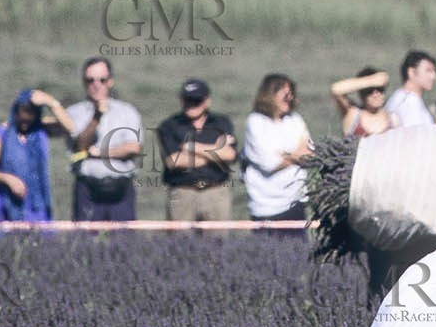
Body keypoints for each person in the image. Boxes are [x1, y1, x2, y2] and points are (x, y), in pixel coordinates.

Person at [45, 58, 143, 222]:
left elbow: (133, 148)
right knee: (85, 244)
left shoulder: (127, 112)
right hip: (88, 189)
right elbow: (80, 146)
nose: (96, 85)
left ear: (110, 81)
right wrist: (96, 117)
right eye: (90, 80)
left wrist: (99, 153)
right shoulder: (74, 113)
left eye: (102, 80)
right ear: (84, 82)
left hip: (121, 189)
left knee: (125, 243)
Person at [157, 79, 238, 222]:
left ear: (207, 101)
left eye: (196, 100)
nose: (191, 105)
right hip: (183, 193)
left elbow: (230, 155)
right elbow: (174, 161)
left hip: (215, 192)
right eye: (188, 100)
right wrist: (215, 152)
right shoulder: (170, 125)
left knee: (219, 243)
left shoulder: (221, 123)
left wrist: (191, 147)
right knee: (181, 243)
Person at [243, 74, 312, 222]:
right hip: (266, 206)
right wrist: (295, 155)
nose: (289, 98)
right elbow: (269, 163)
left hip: (296, 201)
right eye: (284, 94)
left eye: (291, 94)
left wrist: (284, 155)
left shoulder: (295, 119)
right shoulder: (255, 122)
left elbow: (309, 154)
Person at [0, 89, 55, 223]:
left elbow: (70, 128)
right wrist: (8, 179)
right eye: (23, 115)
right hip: (6, 202)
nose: (25, 122)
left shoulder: (41, 132)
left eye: (30, 116)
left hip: (36, 203)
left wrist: (51, 102)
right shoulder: (2, 133)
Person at [331, 68, 399, 138]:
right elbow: (336, 90)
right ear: (361, 94)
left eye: (380, 89)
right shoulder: (353, 115)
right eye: (369, 91)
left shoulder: (393, 119)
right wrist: (372, 81)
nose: (376, 95)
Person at [386, 50, 436, 127]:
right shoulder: (407, 102)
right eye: (428, 70)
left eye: (434, 71)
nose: (433, 77)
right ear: (412, 72)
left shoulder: (411, 99)